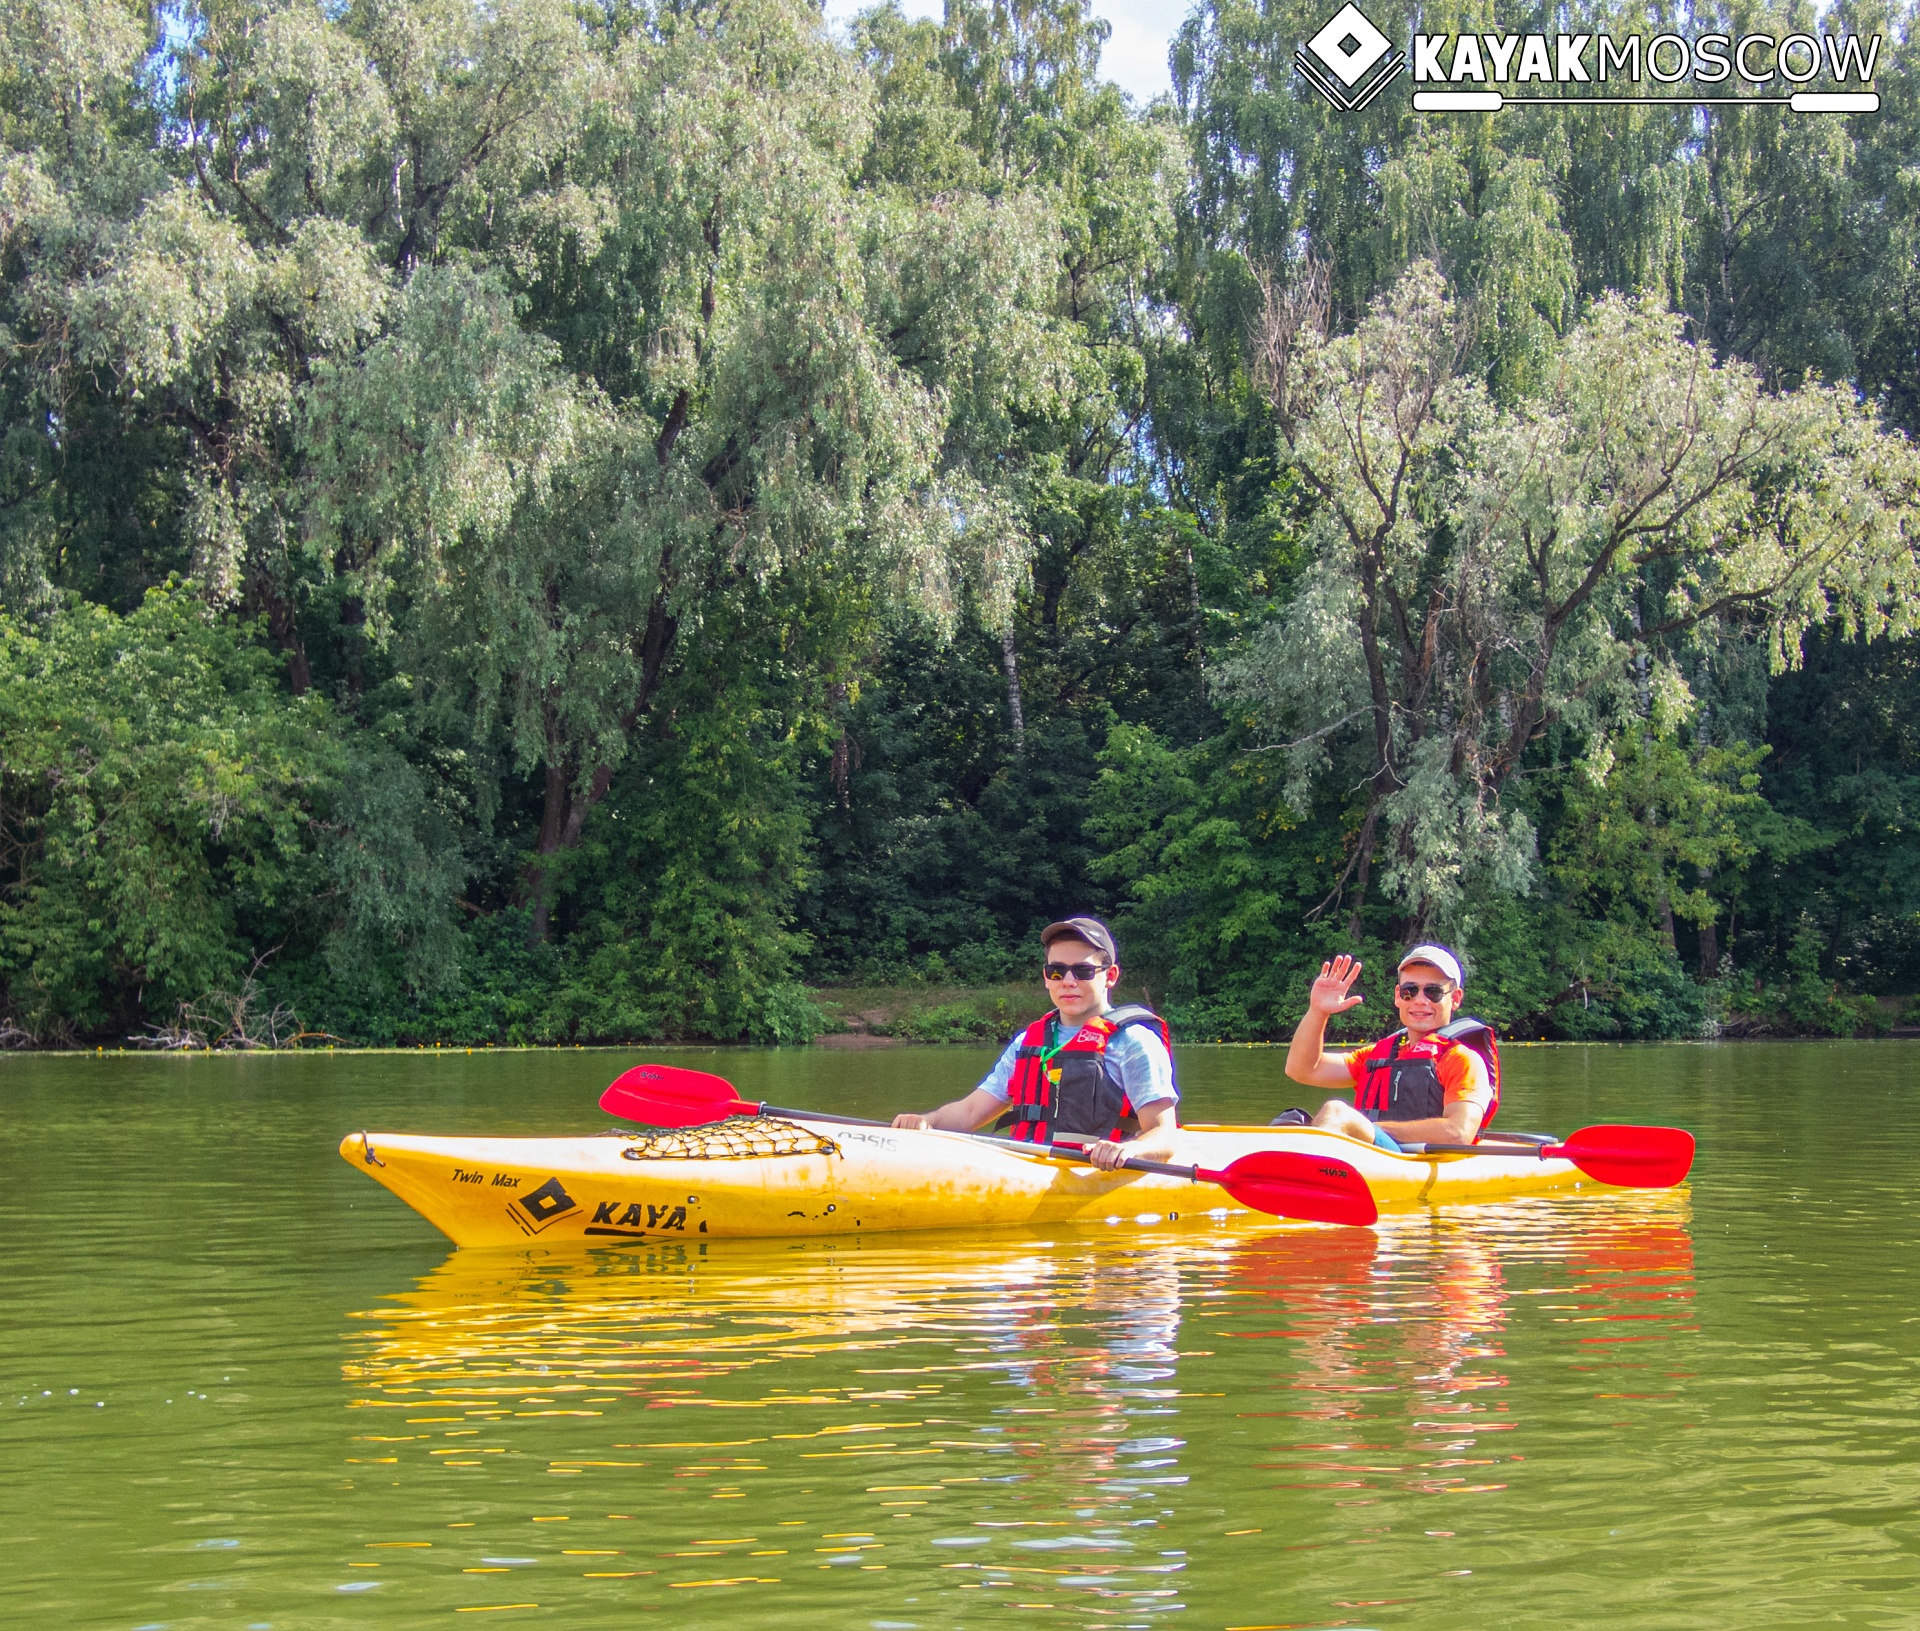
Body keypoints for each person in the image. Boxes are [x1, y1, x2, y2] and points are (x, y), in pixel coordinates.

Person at [891, 917, 1179, 1170]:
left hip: (1094, 1170)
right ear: (1046, 977)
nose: (1068, 981)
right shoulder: (1026, 1042)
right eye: (1057, 971)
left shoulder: (1134, 1043)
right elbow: (970, 1112)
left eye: (1082, 971)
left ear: (1110, 976)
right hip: (1027, 1166)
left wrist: (1128, 1150)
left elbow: (1164, 1136)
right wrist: (926, 1122)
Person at [1281, 944, 1500, 1151]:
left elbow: (1457, 1132)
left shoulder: (1462, 1060)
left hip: (1416, 1164)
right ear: (1398, 996)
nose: (1420, 1000)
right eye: (1410, 991)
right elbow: (1302, 1070)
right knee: (1290, 1121)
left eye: (1432, 992)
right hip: (1375, 1155)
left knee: (1336, 1112)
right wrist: (1318, 1011)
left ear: (1455, 999)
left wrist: (1360, 1128)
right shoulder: (1377, 1055)